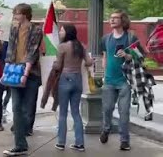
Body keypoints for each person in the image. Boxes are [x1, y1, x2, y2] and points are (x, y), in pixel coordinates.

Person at [3, 3, 43, 156]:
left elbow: (32, 52)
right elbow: (10, 50)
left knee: (26, 109)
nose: (15, 16)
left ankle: (23, 136)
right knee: (16, 108)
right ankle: (20, 144)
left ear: (25, 14)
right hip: (14, 72)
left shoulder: (36, 29)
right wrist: (5, 71)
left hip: (30, 72)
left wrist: (25, 74)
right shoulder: (14, 29)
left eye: (17, 13)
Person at [100, 10, 140, 151]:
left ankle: (124, 141)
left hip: (125, 81)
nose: (111, 20)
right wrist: (103, 75)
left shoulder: (131, 37)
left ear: (122, 21)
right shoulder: (105, 39)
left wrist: (128, 56)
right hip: (109, 81)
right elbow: (104, 57)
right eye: (110, 18)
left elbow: (140, 56)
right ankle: (106, 129)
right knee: (107, 108)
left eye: (115, 18)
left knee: (124, 112)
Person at [53, 24, 93, 152]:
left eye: (62, 30)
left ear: (67, 32)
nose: (60, 32)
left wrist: (53, 64)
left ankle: (61, 142)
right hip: (78, 79)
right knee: (76, 112)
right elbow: (89, 62)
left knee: (63, 112)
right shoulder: (81, 46)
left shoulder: (62, 46)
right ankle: (79, 143)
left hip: (65, 78)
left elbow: (58, 66)